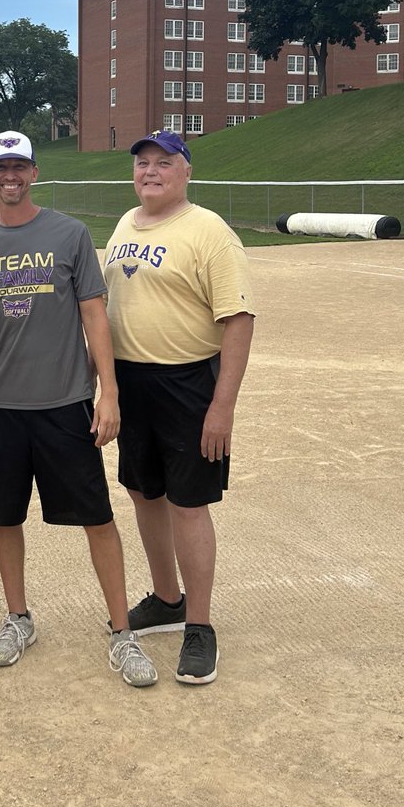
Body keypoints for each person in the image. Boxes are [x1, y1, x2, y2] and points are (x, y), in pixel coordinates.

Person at [0, 130, 157, 688]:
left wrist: (110, 393)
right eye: (0, 167)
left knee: (97, 517)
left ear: (34, 172)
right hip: (1, 402)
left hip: (65, 401)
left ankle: (122, 632)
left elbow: (96, 317)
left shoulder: (70, 234)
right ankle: (18, 618)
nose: (10, 177)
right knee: (4, 516)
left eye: (19, 167)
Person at [104, 129, 255, 686]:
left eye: (163, 162)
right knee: (145, 493)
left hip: (189, 384)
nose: (150, 171)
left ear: (185, 171)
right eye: (143, 163)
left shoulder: (208, 230)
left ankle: (199, 624)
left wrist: (222, 407)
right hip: (133, 382)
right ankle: (167, 597)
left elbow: (237, 320)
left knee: (189, 503)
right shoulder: (125, 224)